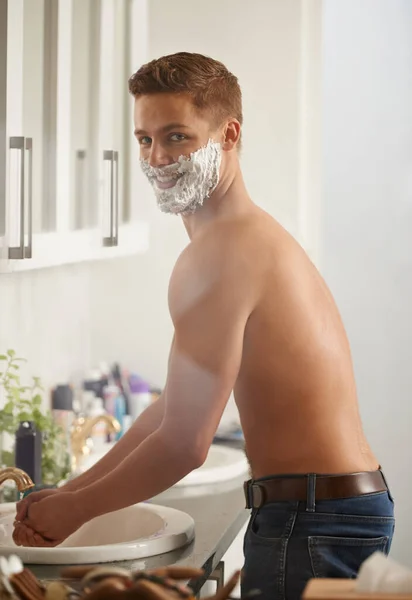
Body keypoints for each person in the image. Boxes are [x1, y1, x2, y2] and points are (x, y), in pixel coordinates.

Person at [13, 52, 395, 600]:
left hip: (313, 522)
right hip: (328, 511)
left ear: (229, 133)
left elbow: (186, 444)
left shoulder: (221, 252)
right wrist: (70, 491)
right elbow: (173, 409)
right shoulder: (234, 237)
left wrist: (75, 510)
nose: (158, 158)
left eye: (177, 137)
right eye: (144, 140)